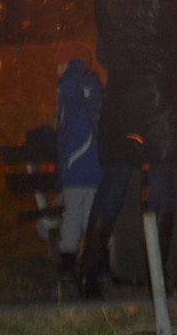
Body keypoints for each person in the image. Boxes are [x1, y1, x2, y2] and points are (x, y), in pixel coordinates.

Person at [76, 0, 177, 298]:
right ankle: (157, 278)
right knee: (162, 184)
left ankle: (87, 273)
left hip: (122, 99)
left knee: (113, 182)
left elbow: (106, 45)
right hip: (161, 100)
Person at [52, 42, 103, 281]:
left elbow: (66, 85)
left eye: (62, 65)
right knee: (89, 217)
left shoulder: (73, 89)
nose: (58, 71)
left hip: (76, 168)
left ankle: (69, 263)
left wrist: (75, 65)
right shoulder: (92, 89)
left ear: (73, 65)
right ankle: (97, 263)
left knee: (73, 217)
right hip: (93, 168)